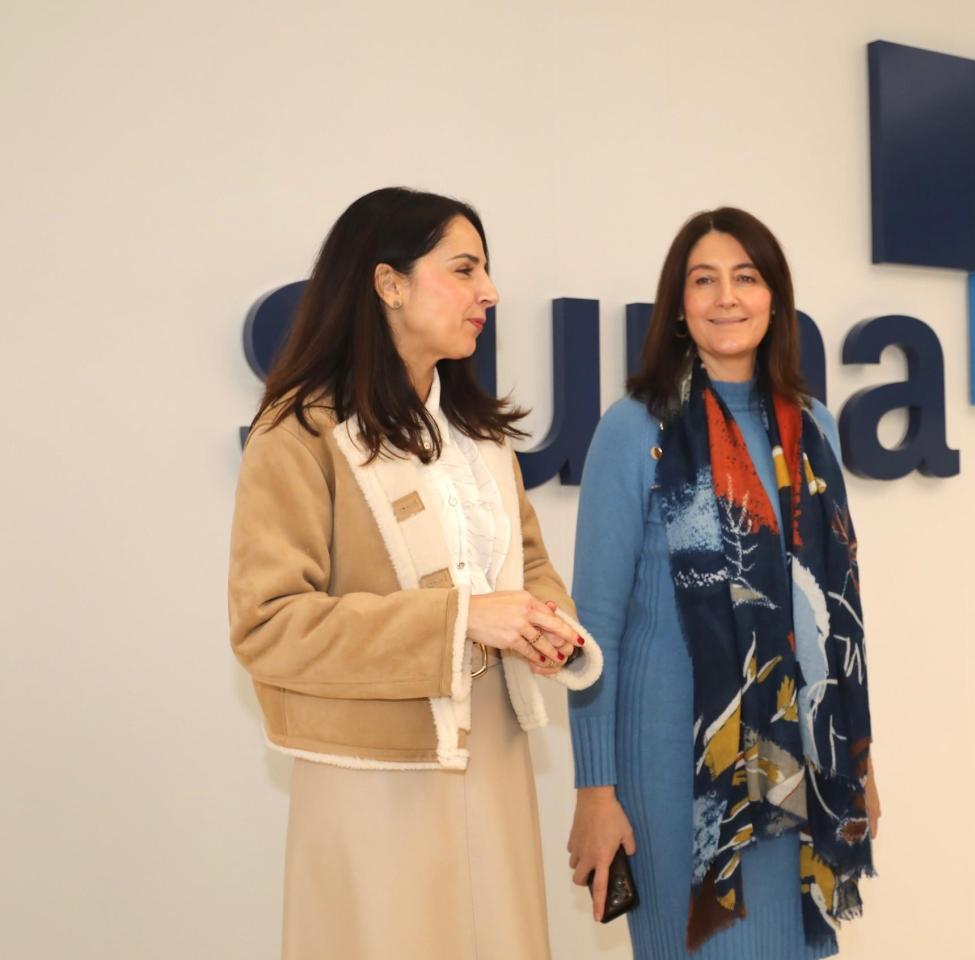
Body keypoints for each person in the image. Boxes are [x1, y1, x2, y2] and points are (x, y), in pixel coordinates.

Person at [228, 186, 603, 960]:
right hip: (374, 775)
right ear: (387, 283)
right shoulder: (299, 429)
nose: (489, 293)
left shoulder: (479, 434)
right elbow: (267, 624)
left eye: (486, 272)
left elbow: (526, 565)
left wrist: (549, 626)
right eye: (464, 269)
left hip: (493, 756)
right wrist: (464, 619)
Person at [566, 207, 877, 958]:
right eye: (704, 281)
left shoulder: (816, 429)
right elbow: (592, 632)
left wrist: (857, 762)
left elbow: (832, 617)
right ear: (679, 305)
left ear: (776, 299)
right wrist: (595, 791)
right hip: (674, 767)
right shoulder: (634, 428)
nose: (726, 297)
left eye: (746, 277)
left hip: (801, 758)